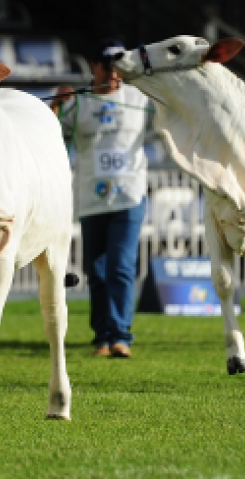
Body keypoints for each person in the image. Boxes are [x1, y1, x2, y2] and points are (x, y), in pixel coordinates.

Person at [49, 40, 151, 358]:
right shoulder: (77, 104)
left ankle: (121, 336)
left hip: (129, 196)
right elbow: (52, 138)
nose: (114, 73)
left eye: (119, 67)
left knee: (121, 267)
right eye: (108, 66)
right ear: (94, 67)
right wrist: (55, 106)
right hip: (91, 198)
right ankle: (102, 337)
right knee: (97, 271)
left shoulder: (140, 98)